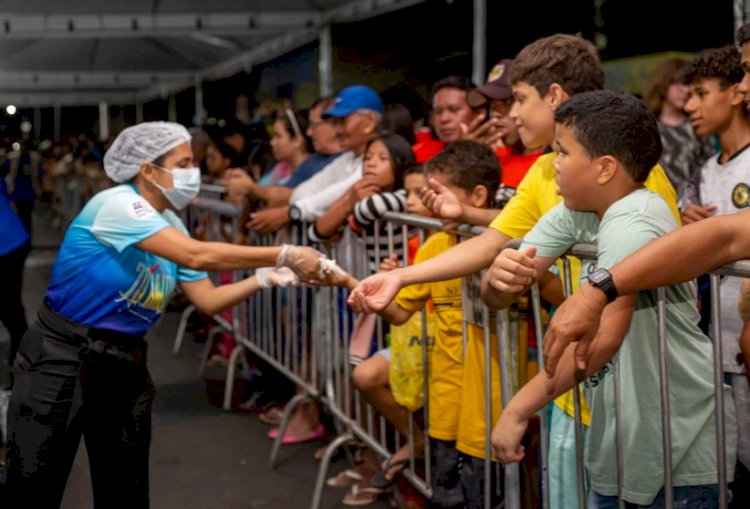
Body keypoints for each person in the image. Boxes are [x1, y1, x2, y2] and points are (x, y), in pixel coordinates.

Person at [348, 33, 680, 509]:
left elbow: (619, 303)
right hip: (568, 389)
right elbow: (493, 243)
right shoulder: (550, 173)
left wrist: (520, 404)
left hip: (634, 397)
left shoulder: (636, 188)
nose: (512, 114)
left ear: (556, 97)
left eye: (520, 99)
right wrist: (403, 277)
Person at [2, 121, 325, 508]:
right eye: (184, 162)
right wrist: (283, 253)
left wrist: (264, 278)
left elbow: (206, 298)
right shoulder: (116, 204)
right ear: (149, 170)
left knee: (126, 489)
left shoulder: (170, 222)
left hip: (125, 362)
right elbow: (196, 255)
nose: (195, 171)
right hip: (63, 355)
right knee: (34, 485)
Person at [488, 89, 737, 508]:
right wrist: (498, 278)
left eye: (562, 152)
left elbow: (602, 339)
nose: (554, 164)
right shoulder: (580, 210)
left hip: (676, 446)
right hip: (630, 434)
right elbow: (502, 289)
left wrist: (516, 410)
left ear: (604, 168)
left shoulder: (634, 220)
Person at [349, 140, 502, 508]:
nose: (430, 204)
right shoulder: (435, 247)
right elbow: (401, 312)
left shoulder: (506, 246)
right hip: (446, 406)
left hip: (493, 406)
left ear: (478, 195)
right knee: (448, 497)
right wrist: (377, 302)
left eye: (437, 193)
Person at [643, 57, 716, 201]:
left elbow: (710, 167)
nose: (686, 90)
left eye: (690, 85)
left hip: (696, 206)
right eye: (680, 83)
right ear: (664, 85)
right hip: (659, 206)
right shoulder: (647, 129)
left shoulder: (698, 126)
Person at [0, 193, 30, 374]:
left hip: (8, 245)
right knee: (10, 307)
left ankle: (22, 359)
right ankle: (22, 357)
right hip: (13, 238)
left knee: (9, 307)